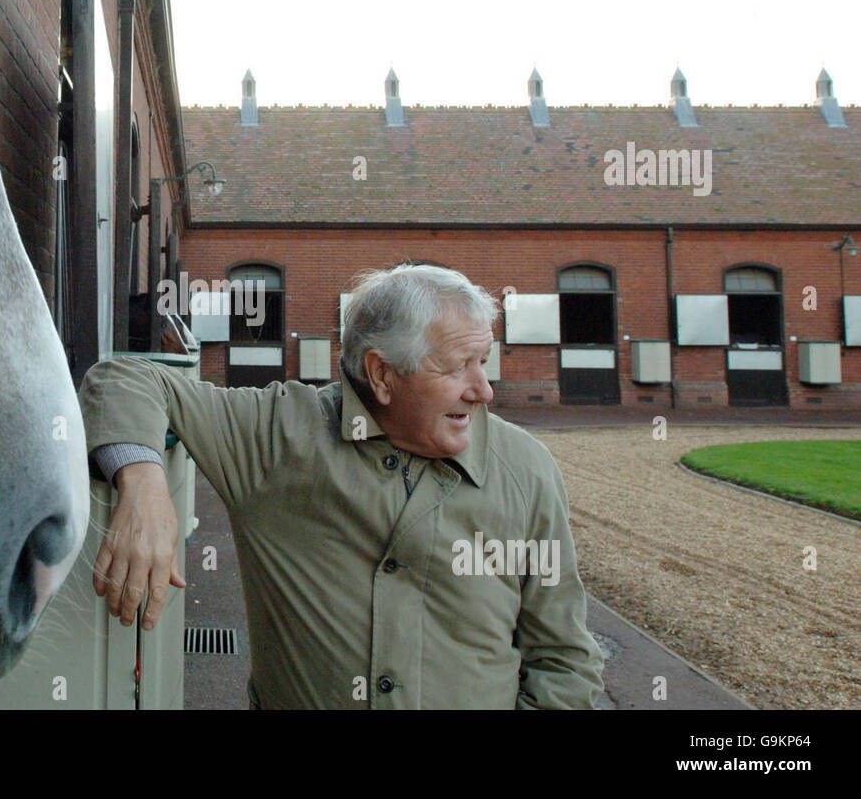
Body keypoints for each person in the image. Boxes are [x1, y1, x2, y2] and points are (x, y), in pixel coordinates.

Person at [77, 262, 604, 708]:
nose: (483, 390)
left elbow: (563, 656)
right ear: (381, 374)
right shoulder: (280, 433)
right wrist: (144, 486)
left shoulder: (527, 471)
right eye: (459, 367)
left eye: (483, 362)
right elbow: (123, 379)